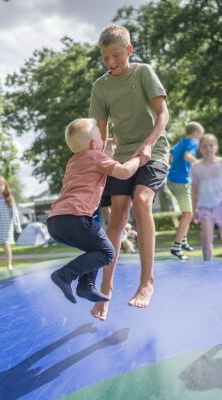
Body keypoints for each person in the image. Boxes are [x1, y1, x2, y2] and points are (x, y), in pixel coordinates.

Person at [88, 24, 170, 320]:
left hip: (155, 149)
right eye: (105, 57)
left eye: (116, 55)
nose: (110, 62)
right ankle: (105, 289)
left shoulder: (143, 72)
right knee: (118, 215)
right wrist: (98, 158)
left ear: (129, 50)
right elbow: (100, 129)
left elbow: (163, 114)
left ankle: (146, 282)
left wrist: (148, 145)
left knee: (142, 201)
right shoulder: (101, 87)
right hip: (122, 156)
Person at [48, 118, 141, 303]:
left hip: (56, 222)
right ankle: (65, 275)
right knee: (108, 253)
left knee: (97, 248)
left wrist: (112, 145)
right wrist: (139, 158)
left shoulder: (73, 162)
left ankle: (86, 286)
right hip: (75, 217)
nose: (104, 141)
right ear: (93, 144)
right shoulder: (96, 156)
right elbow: (123, 172)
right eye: (101, 137)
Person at [190, 134, 222, 261]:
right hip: (205, 206)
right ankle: (207, 268)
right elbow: (194, 190)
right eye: (204, 146)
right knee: (206, 238)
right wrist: (193, 209)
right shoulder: (196, 168)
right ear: (200, 149)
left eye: (211, 145)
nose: (208, 149)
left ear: (216, 147)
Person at [168, 122, 204, 260]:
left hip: (171, 180)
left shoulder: (182, 142)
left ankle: (183, 241)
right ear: (196, 133)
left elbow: (170, 154)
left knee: (186, 212)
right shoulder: (193, 142)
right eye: (200, 135)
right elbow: (188, 156)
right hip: (181, 182)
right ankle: (176, 247)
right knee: (188, 214)